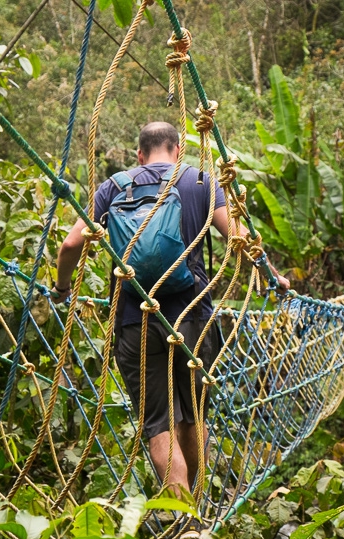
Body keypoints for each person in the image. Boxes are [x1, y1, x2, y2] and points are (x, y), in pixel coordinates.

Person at [52, 120, 289, 499]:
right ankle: (194, 509)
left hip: (135, 321)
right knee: (194, 417)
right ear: (177, 149)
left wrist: (63, 287)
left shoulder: (112, 187)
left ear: (139, 155)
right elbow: (240, 241)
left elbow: (69, 247)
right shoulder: (199, 182)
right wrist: (274, 278)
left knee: (159, 426)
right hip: (192, 315)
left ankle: (184, 520)